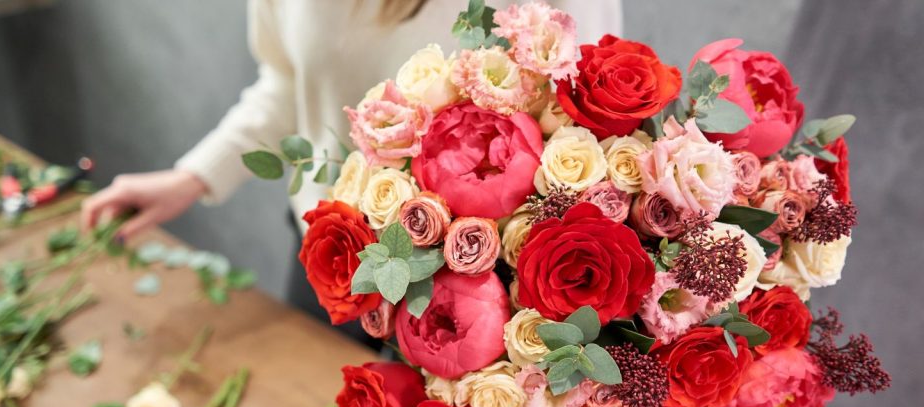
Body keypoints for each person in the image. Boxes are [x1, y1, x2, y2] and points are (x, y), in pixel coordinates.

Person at [80, 0, 622, 331]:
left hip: (479, 290)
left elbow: (588, 114)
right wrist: (193, 176)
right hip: (334, 253)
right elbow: (290, 83)